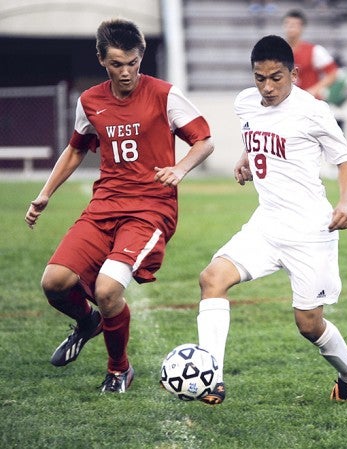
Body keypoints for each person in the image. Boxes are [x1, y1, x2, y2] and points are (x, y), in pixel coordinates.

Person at [25, 18, 214, 394]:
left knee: (108, 289)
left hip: (150, 209)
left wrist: (179, 168)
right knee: (55, 283)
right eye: (116, 64)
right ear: (101, 60)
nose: (126, 72)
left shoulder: (164, 94)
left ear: (140, 57)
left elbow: (204, 140)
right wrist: (46, 193)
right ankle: (87, 322)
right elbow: (76, 148)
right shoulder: (91, 101)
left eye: (132, 63)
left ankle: (118, 369)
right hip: (105, 205)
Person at [196, 35, 347, 405]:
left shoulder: (313, 111)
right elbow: (255, 133)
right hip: (266, 223)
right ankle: (211, 378)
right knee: (212, 279)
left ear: (294, 73)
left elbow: (345, 160)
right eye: (260, 78)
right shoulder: (245, 102)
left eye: (277, 77)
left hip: (310, 230)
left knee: (308, 324)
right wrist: (246, 157)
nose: (268, 87)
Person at [282, 9, 338, 101]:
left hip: (310, 102)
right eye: (287, 24)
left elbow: (332, 73)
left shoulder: (315, 50)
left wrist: (315, 89)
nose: (290, 27)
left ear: (302, 27)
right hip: (287, 102)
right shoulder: (277, 52)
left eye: (294, 24)